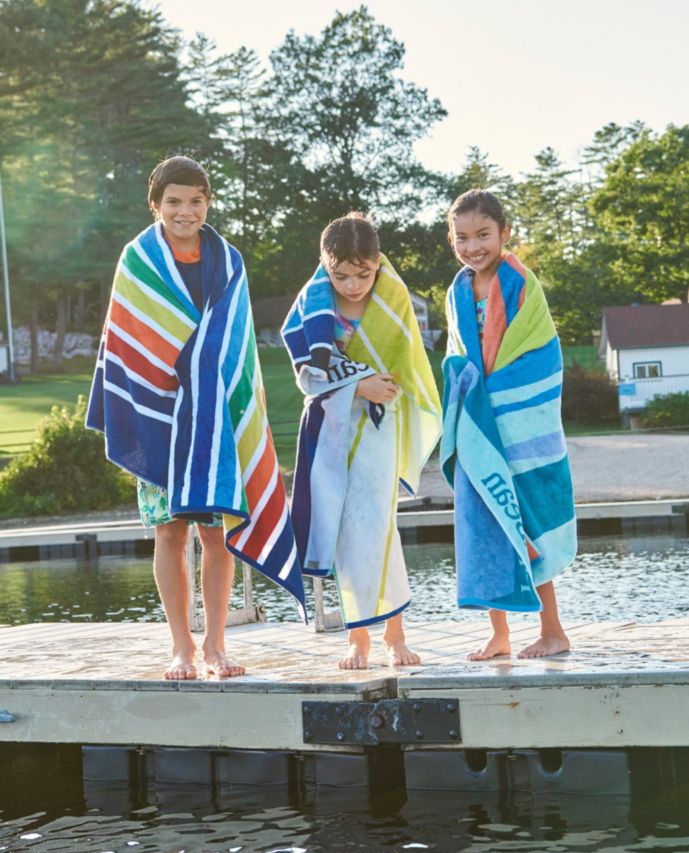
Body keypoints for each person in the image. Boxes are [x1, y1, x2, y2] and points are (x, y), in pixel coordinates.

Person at [87, 156, 304, 681]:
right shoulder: (139, 259)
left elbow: (237, 344)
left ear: (208, 202)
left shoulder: (228, 261)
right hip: (158, 412)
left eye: (196, 200)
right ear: (156, 205)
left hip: (213, 418)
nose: (186, 211)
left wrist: (225, 392)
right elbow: (130, 337)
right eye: (175, 201)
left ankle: (216, 645)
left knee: (217, 534)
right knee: (169, 531)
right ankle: (181, 647)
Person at [282, 213, 441, 670]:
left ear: (377, 264)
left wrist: (373, 388)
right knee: (346, 531)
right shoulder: (313, 301)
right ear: (324, 265)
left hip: (378, 425)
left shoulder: (393, 299)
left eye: (363, 273)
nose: (353, 284)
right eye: (341, 275)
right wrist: (357, 384)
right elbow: (307, 374)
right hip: (330, 427)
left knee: (379, 526)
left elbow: (403, 367)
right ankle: (357, 638)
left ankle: (394, 635)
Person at [441, 189, 576, 660]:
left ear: (505, 234)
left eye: (483, 235)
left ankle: (553, 629)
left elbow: (539, 354)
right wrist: (464, 392)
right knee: (487, 520)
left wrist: (491, 393)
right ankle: (499, 633)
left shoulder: (521, 283)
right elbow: (458, 355)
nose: (473, 246)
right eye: (462, 237)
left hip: (517, 423)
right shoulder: (457, 291)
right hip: (478, 422)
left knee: (527, 521)